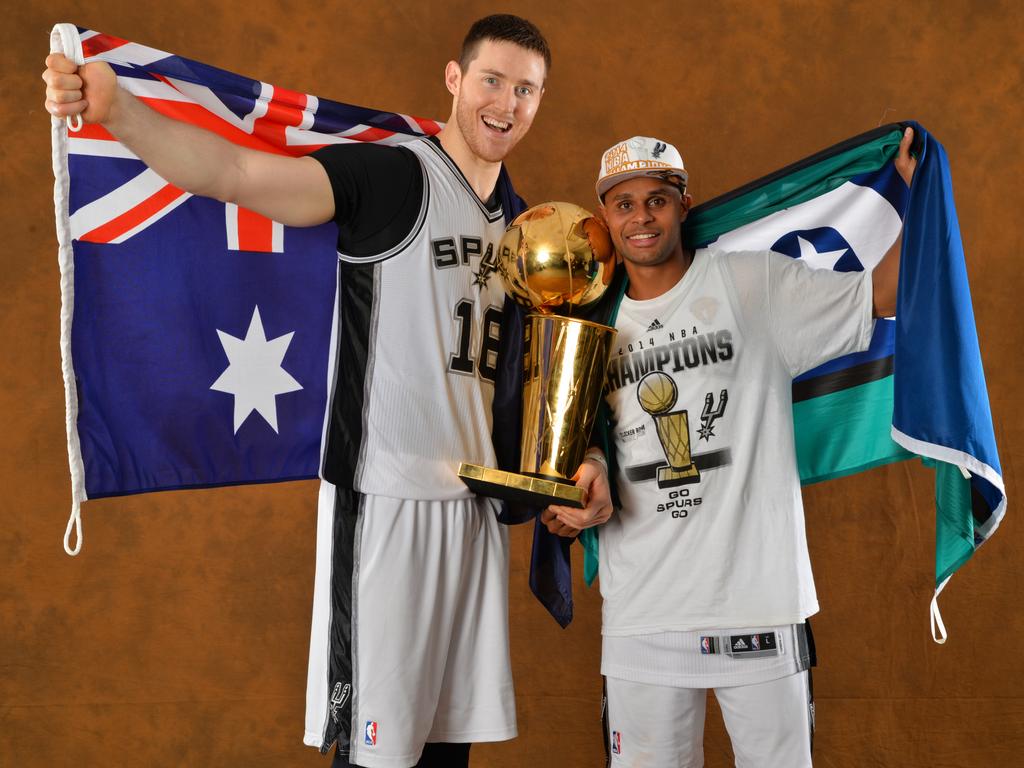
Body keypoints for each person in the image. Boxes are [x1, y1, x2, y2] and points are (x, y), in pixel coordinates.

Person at [43, 15, 550, 768]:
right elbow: (235, 174)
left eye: (527, 89)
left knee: (447, 755)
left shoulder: (520, 220)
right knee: (376, 756)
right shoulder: (394, 175)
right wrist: (115, 107)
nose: (506, 103)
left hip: (472, 515)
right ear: (454, 79)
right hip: (387, 504)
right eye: (492, 80)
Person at [542, 131, 916, 767]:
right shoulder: (586, 325)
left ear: (685, 205)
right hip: (642, 614)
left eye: (657, 199)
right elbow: (585, 445)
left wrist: (915, 193)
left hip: (758, 603)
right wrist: (585, 482)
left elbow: (879, 296)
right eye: (624, 203)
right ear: (603, 218)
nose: (641, 217)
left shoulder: (752, 284)